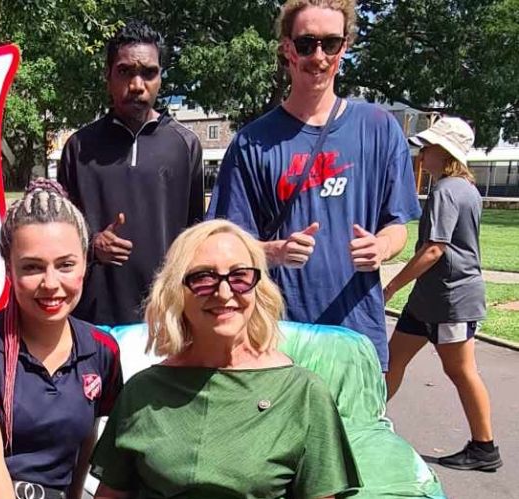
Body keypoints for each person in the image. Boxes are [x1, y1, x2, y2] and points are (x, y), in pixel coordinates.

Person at [206, 0, 421, 370]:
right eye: (306, 44)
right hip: (274, 335)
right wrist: (273, 252)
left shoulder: (379, 128)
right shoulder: (252, 142)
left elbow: (398, 225)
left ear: (345, 47)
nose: (318, 56)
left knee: (353, 430)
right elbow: (223, 245)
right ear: (287, 48)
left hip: (356, 334)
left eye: (330, 43)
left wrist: (381, 247)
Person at [89, 219, 360, 498]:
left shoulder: (302, 393)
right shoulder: (142, 391)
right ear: (175, 290)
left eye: (240, 276)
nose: (224, 292)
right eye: (203, 278)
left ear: (258, 287)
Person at [0, 179, 123, 499]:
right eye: (32, 267)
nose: (51, 283)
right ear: (9, 270)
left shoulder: (101, 351)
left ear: (85, 263)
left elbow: (84, 441)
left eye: (65, 265)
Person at [58, 19, 204, 327]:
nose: (137, 85)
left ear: (161, 78)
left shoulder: (184, 145)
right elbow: (58, 237)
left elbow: (195, 238)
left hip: (164, 319)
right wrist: (92, 245)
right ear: (108, 77)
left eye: (148, 73)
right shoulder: (78, 148)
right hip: (90, 321)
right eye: (125, 71)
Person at [383, 117, 502, 472]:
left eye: (429, 147)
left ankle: (484, 447)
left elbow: (434, 249)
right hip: (427, 301)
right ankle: (362, 421)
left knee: (461, 371)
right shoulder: (464, 189)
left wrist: (390, 287)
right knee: (391, 360)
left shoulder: (448, 190)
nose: (422, 153)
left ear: (445, 152)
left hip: (452, 301)